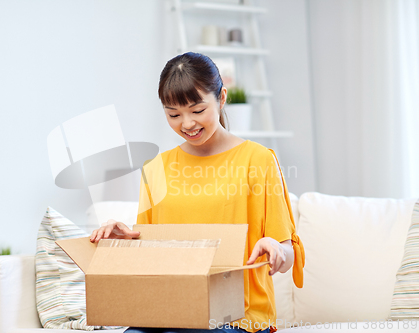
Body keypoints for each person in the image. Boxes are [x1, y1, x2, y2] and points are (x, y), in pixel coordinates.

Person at [90, 52, 305, 333]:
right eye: (174, 114)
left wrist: (277, 250)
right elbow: (149, 261)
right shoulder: (156, 168)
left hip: (237, 316)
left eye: (197, 110)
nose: (187, 124)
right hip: (169, 309)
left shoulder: (259, 160)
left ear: (221, 98)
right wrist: (122, 242)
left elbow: (287, 255)